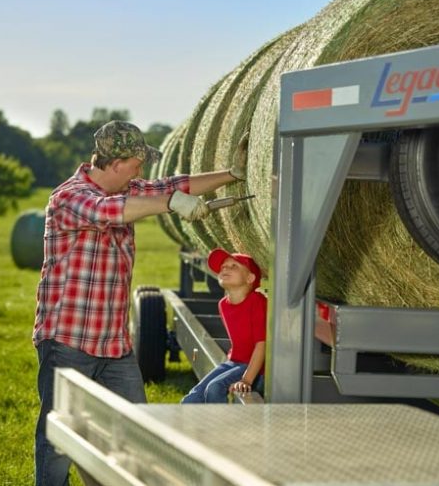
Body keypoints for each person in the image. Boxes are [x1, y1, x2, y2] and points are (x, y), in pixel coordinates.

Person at [33, 120, 247, 486]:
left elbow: (176, 185)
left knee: (136, 432)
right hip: (69, 342)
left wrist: (232, 174)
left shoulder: (129, 189)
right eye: (136, 163)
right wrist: (170, 203)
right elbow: (108, 211)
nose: (141, 171)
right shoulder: (69, 197)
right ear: (115, 163)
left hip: (114, 345)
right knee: (59, 437)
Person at [181, 248, 266, 404]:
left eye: (234, 266)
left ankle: (221, 426)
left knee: (214, 388)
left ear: (250, 278)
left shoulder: (257, 301)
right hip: (233, 361)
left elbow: (262, 345)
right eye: (223, 267)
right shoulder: (223, 305)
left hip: (255, 366)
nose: (226, 268)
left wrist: (246, 380)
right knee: (191, 398)